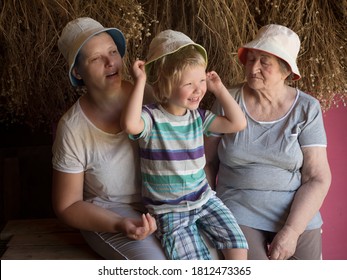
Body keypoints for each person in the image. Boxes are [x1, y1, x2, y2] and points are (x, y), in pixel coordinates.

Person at [204, 24, 331, 260]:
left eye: (264, 62)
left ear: (286, 71)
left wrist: (292, 231)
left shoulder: (306, 108)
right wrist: (207, 209)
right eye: (251, 59)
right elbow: (206, 161)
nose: (253, 68)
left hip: (295, 212)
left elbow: (317, 177)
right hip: (238, 207)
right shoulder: (228, 99)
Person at [121, 30, 248, 260]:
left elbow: (238, 123)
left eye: (201, 81)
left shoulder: (198, 118)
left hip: (204, 197)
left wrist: (219, 89)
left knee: (237, 244)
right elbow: (130, 125)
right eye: (188, 83)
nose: (199, 89)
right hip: (168, 210)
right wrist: (140, 81)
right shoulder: (151, 119)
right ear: (165, 87)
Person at [52, 17, 167, 259]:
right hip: (108, 213)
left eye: (113, 51)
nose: (110, 62)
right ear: (77, 72)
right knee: (154, 266)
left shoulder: (148, 94)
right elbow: (67, 205)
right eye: (95, 58)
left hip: (162, 203)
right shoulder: (72, 128)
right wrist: (119, 223)